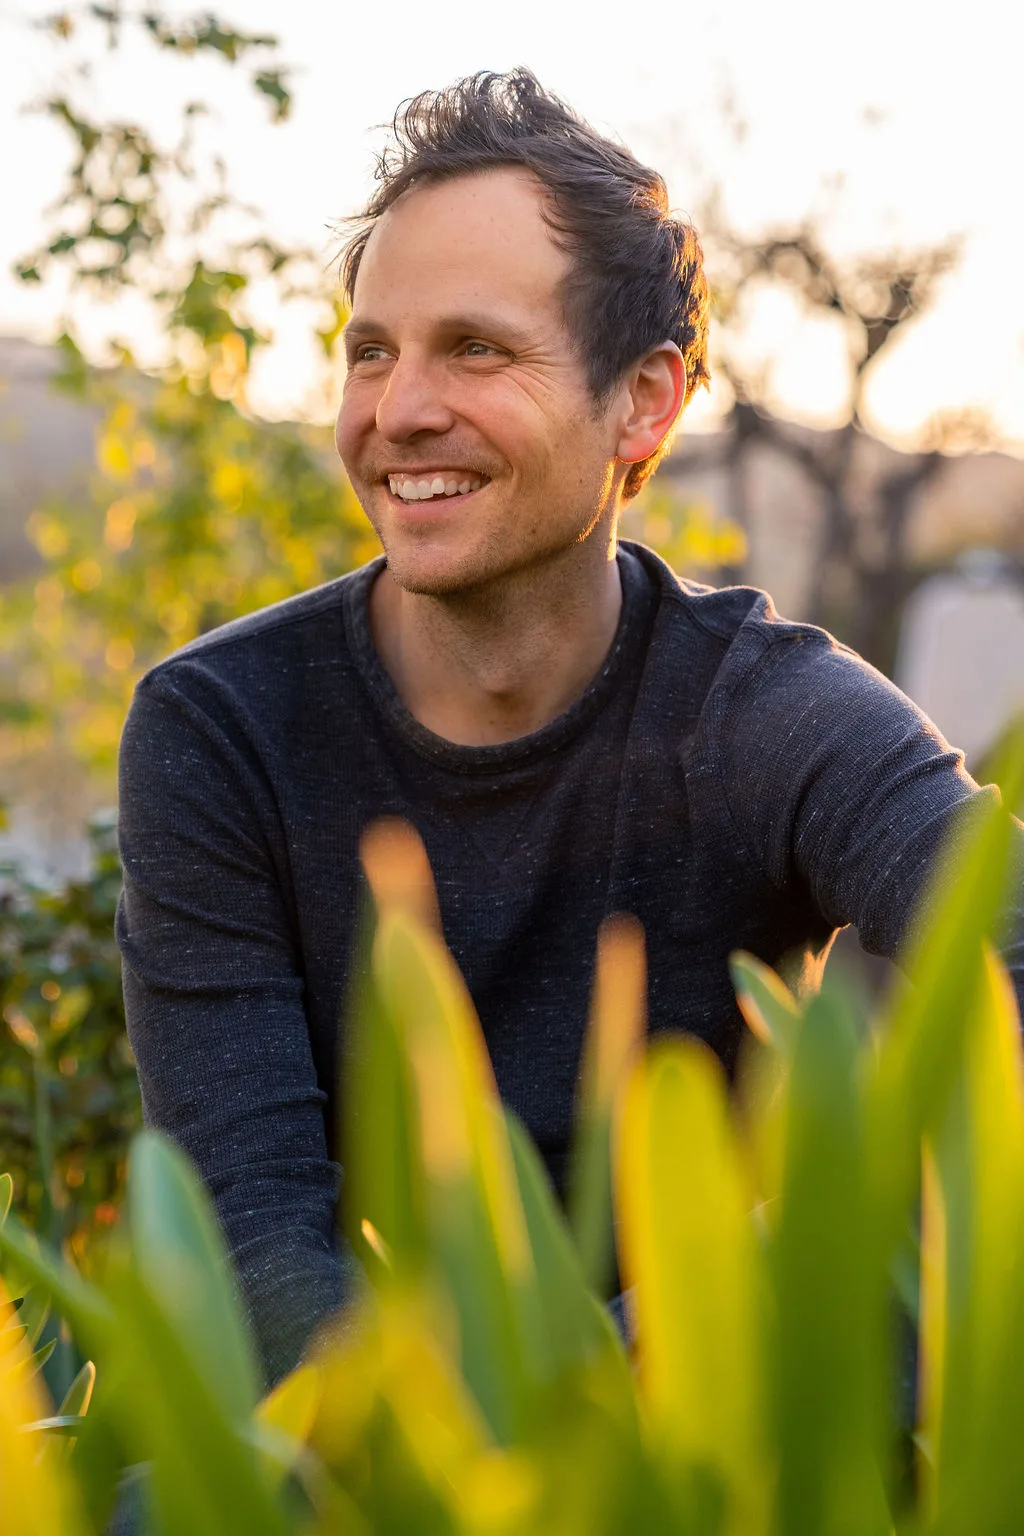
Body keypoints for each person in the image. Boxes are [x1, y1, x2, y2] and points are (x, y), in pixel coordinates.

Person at [115, 68, 1024, 1392]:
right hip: (363, 1449)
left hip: (725, 1417)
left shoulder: (767, 710)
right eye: (371, 351)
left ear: (642, 404)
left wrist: (711, 1307)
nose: (396, 410)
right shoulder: (222, 729)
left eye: (475, 348)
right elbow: (253, 1260)